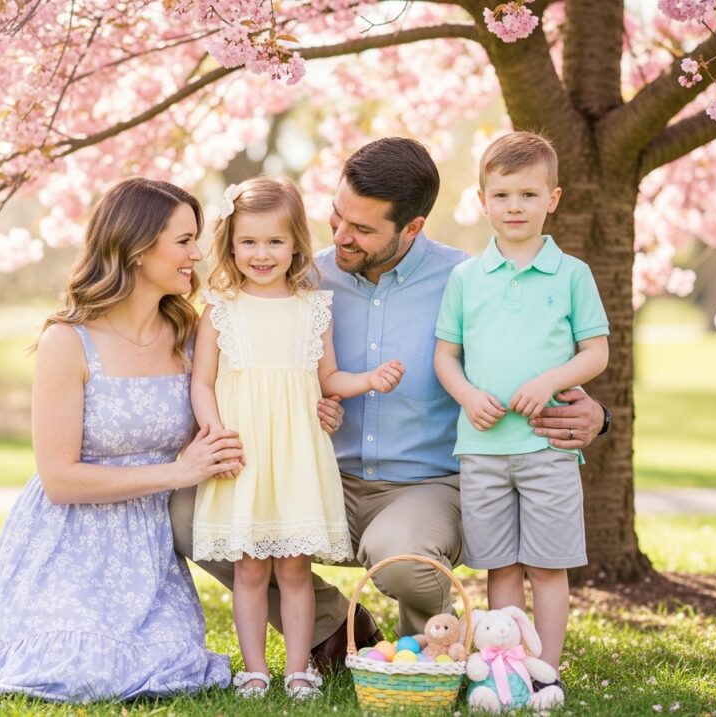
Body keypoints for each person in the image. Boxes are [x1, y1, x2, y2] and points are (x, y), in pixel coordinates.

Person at [170, 137, 609, 673]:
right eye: (336, 216)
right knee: (188, 517)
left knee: (401, 558)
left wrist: (598, 414)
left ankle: (427, 643)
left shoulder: (466, 280)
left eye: (362, 229)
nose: (340, 236)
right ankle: (337, 627)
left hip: (421, 488)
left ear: (413, 228)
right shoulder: (298, 278)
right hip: (312, 474)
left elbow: (538, 354)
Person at [0, 178, 245, 702]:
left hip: (148, 545)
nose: (198, 254)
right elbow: (60, 479)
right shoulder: (67, 341)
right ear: (138, 248)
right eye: (183, 241)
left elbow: (252, 398)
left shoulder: (190, 337)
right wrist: (179, 472)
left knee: (169, 665)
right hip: (67, 541)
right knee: (82, 670)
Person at [190, 176, 404, 700]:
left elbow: (328, 378)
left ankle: (299, 669)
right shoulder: (220, 308)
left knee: (293, 568)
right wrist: (213, 429)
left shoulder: (314, 308)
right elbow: (201, 380)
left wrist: (367, 381)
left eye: (275, 242)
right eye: (249, 242)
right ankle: (256, 669)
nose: (262, 254)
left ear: (295, 245)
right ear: (231, 244)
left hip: (296, 456)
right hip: (242, 451)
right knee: (248, 567)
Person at [434, 131, 609, 700]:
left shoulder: (572, 274)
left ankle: (546, 671)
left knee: (548, 565)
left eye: (529, 195)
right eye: (503, 195)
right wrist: (467, 396)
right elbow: (446, 356)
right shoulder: (465, 279)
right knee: (500, 567)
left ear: (552, 199)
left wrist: (550, 380)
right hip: (483, 449)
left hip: (547, 448)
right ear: (482, 200)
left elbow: (595, 351)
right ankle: (505, 669)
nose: (515, 207)